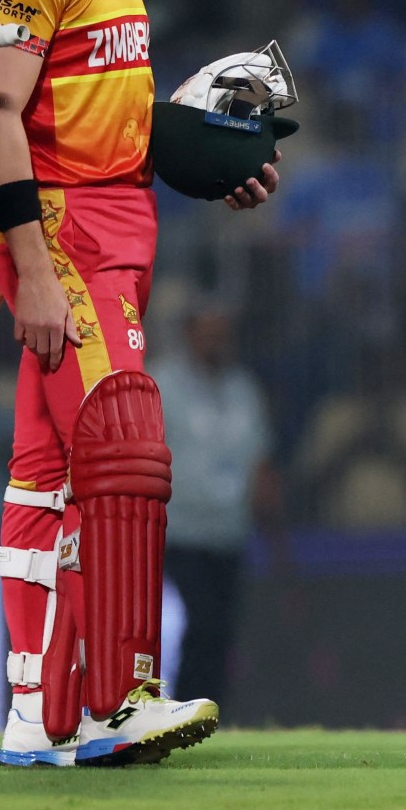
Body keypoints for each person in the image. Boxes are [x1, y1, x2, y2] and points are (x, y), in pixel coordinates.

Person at [0, 0, 281, 768]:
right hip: (65, 231)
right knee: (123, 454)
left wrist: (211, 160)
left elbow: (107, 105)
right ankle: (114, 698)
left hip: (120, 222)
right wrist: (32, 269)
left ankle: (36, 710)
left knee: (46, 472)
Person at [149, 297, 279, 706]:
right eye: (207, 334)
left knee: (220, 633)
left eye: (222, 334)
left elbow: (260, 463)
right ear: (188, 334)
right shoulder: (162, 385)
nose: (215, 343)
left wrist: (275, 532)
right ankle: (179, 706)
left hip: (229, 534)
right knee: (195, 624)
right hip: (178, 534)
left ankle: (208, 712)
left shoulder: (243, 391)